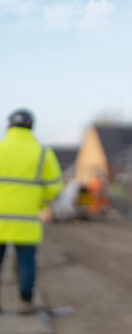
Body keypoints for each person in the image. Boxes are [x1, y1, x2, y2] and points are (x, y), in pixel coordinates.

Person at [0, 109, 62, 314]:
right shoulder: (42, 152)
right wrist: (41, 203)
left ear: (10, 125)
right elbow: (54, 185)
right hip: (26, 219)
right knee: (26, 261)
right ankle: (26, 301)